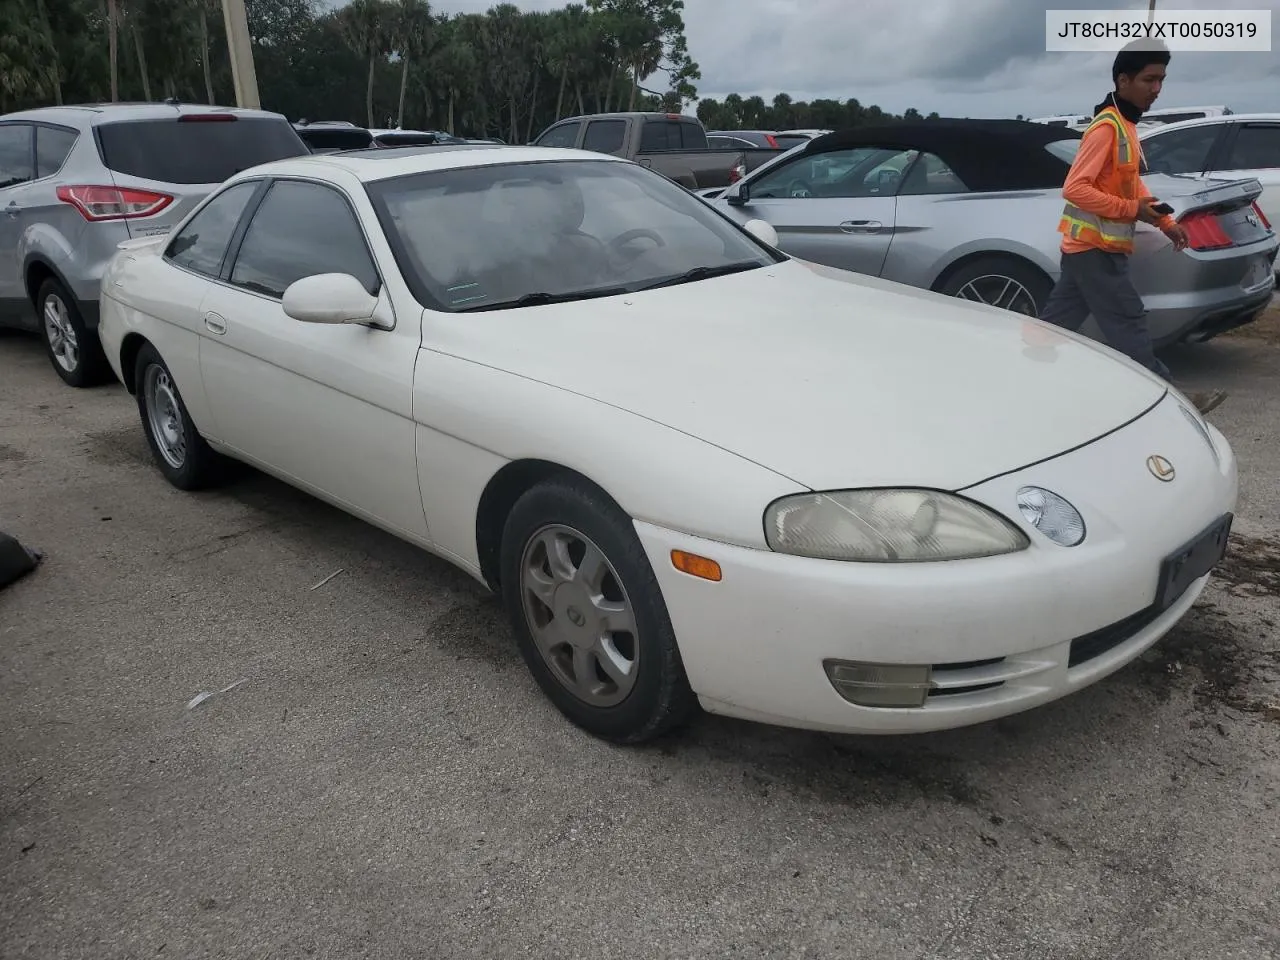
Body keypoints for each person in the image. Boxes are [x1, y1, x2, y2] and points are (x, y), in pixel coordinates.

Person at [1038, 39, 1227, 414]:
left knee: (1051, 331)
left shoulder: (1124, 125)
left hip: (1088, 250)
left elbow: (1134, 185)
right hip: (1095, 251)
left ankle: (1018, 375)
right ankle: (1175, 403)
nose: (1157, 89)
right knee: (1129, 324)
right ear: (1123, 81)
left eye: (1161, 80)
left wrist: (1165, 221)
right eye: (1149, 80)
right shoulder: (1106, 128)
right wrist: (1132, 211)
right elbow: (1074, 189)